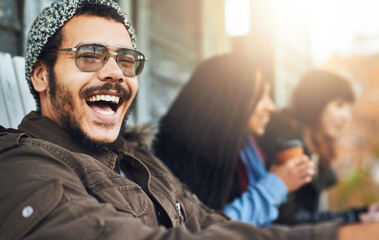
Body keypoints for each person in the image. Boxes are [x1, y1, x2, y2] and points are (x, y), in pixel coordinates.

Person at [0, 0, 378, 239]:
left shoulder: (140, 160)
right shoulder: (21, 167)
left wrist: (347, 231)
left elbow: (215, 224)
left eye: (127, 60)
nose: (115, 72)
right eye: (89, 55)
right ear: (41, 76)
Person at [153, 54, 315, 227]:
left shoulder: (247, 147)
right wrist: (276, 185)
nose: (271, 107)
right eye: (261, 96)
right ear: (230, 99)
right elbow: (209, 230)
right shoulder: (184, 157)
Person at [257, 70, 369, 225]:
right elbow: (289, 219)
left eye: (349, 108)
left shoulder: (316, 146)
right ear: (315, 103)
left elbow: (310, 215)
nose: (346, 117)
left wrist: (363, 213)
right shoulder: (288, 141)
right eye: (339, 105)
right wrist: (355, 217)